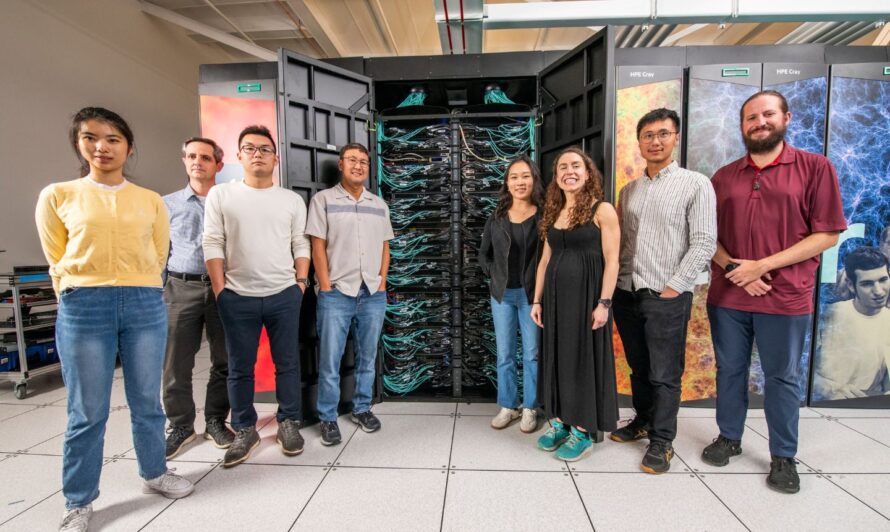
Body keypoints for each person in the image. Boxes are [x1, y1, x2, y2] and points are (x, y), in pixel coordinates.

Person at [35, 107, 194, 532]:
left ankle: (155, 472)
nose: (102, 147)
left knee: (146, 401)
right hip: (84, 304)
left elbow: (159, 253)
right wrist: (77, 287)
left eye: (112, 139)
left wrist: (138, 285)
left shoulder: (148, 201)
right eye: (91, 138)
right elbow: (57, 255)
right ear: (79, 144)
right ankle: (79, 500)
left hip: (143, 302)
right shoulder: (58, 195)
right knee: (87, 409)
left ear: (128, 147)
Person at [703, 90, 846, 494]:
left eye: (767, 114)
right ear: (742, 125)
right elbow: (705, 236)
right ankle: (729, 437)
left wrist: (762, 266)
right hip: (729, 296)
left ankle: (783, 456)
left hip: (785, 297)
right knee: (729, 371)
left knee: (782, 378)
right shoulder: (724, 176)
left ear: (786, 117)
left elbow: (827, 234)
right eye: (751, 117)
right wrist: (736, 269)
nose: (759, 122)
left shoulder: (815, 168)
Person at [610, 108, 717, 474]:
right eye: (648, 135)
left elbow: (704, 243)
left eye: (663, 134)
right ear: (639, 142)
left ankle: (663, 440)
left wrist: (674, 287)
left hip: (666, 294)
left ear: (675, 138)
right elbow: (622, 243)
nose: (655, 141)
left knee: (665, 372)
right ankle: (642, 420)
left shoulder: (696, 184)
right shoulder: (630, 190)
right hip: (628, 291)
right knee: (638, 366)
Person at [203, 125, 311, 466]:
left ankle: (288, 422)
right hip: (237, 295)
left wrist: (301, 283)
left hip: (284, 293)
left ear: (275, 157)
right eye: (249, 148)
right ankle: (245, 429)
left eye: (264, 149)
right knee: (239, 367)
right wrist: (221, 289)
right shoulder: (221, 196)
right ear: (238, 156)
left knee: (288, 363)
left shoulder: (291, 200)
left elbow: (300, 242)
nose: (257, 154)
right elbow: (212, 241)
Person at [530, 147, 620, 462]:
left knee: (582, 360)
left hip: (586, 301)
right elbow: (544, 261)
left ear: (587, 172)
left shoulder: (602, 209)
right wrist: (537, 300)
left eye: (576, 166)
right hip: (554, 302)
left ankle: (582, 431)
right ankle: (560, 422)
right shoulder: (553, 211)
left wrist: (604, 303)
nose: (570, 171)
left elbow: (612, 261)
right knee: (557, 357)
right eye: (563, 167)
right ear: (556, 177)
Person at [306, 143, 394, 445]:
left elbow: (385, 245)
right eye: (353, 160)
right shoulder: (323, 201)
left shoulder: (378, 204)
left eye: (364, 162)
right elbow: (317, 245)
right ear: (341, 165)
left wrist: (382, 282)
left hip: (372, 292)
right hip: (337, 294)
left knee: (367, 357)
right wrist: (325, 285)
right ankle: (328, 417)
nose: (358, 166)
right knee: (330, 360)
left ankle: (361, 408)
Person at [162, 137, 235, 459]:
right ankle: (180, 425)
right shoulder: (167, 204)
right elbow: (157, 251)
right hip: (181, 287)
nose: (197, 162)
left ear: (218, 164)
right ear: (184, 160)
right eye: (191, 156)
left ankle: (216, 420)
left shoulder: (231, 203)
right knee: (176, 362)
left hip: (225, 287)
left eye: (205, 157)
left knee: (226, 360)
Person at [479, 155, 545, 433]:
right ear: (507, 182)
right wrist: (495, 276)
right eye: (514, 177)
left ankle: (530, 407)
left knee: (531, 354)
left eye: (525, 176)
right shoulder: (496, 218)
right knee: (505, 353)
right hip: (503, 295)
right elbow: (484, 254)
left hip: (533, 297)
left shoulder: (545, 216)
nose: (520, 181)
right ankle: (509, 404)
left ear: (534, 180)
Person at [814, 246, 890, 400]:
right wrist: (825, 387)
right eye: (867, 284)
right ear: (850, 285)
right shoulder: (827, 314)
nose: (879, 291)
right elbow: (799, 367)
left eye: (883, 280)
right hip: (823, 402)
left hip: (866, 403)